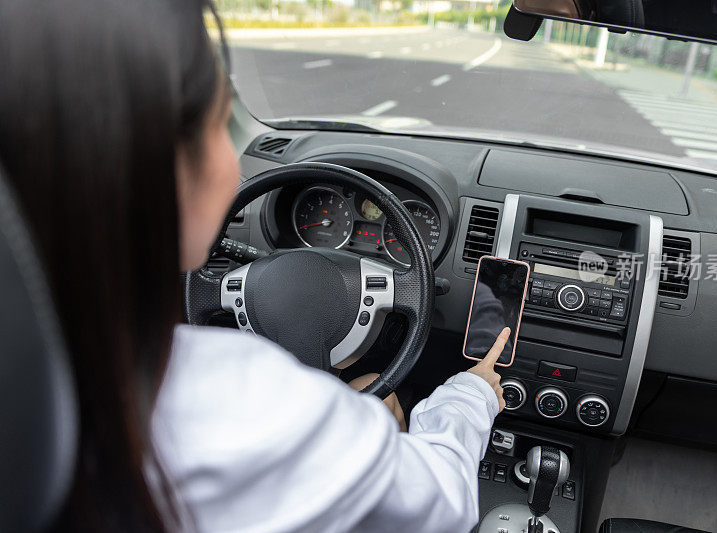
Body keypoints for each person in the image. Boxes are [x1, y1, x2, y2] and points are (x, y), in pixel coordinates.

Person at [0, 0, 510, 531]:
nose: (233, 159)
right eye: (222, 125)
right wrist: (466, 395)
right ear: (153, 172)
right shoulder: (249, 408)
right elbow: (441, 501)